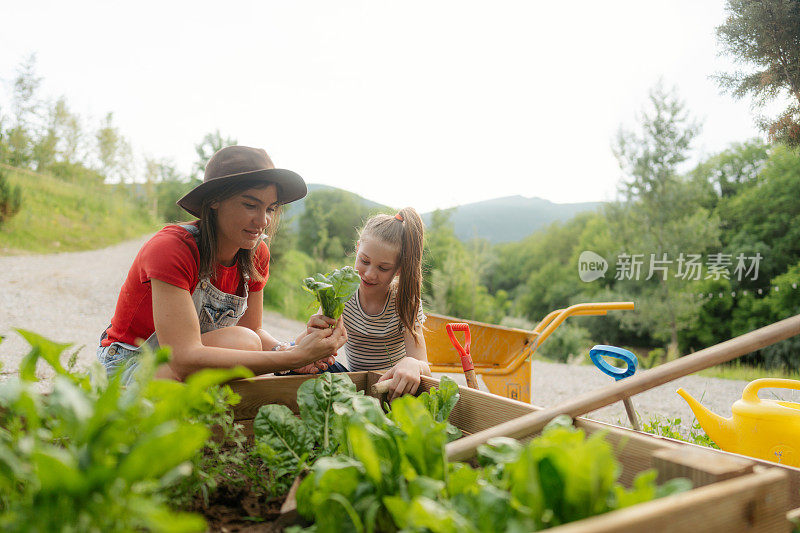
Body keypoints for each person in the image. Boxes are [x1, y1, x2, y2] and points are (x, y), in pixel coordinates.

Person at [97, 145, 346, 384]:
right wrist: (291, 357)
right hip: (129, 364)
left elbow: (255, 332)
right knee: (245, 348)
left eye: (270, 208)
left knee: (251, 361)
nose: (263, 221)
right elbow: (183, 358)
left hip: (182, 363)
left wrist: (293, 352)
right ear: (215, 200)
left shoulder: (256, 253)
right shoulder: (173, 248)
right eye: (250, 205)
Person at [310, 208, 431, 400]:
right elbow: (315, 349)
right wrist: (313, 344)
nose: (369, 274)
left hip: (392, 388)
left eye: (383, 268)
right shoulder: (340, 291)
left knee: (416, 387)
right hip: (357, 385)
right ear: (357, 249)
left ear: (399, 269)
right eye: (364, 261)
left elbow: (424, 366)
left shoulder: (405, 300)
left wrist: (413, 364)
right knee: (299, 368)